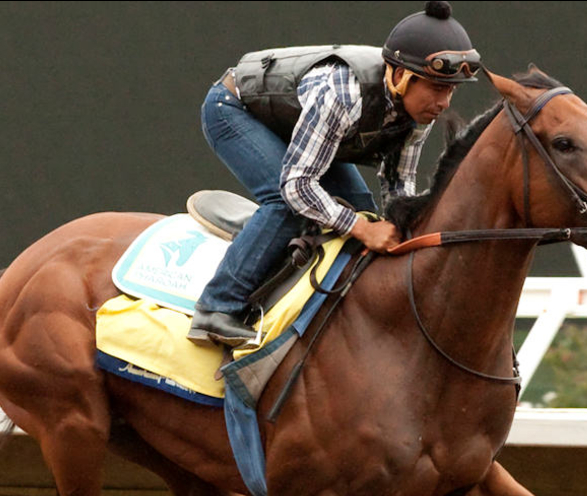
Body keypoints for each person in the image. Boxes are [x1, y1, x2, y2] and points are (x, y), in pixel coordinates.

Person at [187, 1, 481, 347]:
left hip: (299, 122)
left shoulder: (418, 114)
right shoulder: (343, 94)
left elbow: (398, 187)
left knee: (362, 207)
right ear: (401, 77)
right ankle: (216, 308)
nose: (444, 102)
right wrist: (361, 228)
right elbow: (297, 186)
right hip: (235, 110)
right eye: (436, 87)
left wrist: (403, 233)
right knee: (286, 203)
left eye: (450, 89)